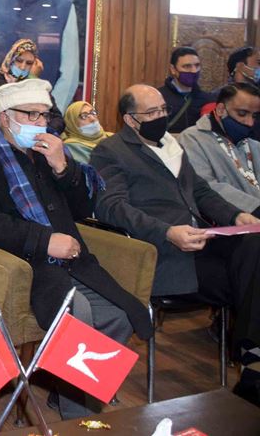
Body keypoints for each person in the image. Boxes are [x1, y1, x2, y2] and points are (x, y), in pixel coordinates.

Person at [0, 79, 151, 420]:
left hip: (74, 259)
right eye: (31, 115)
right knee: (79, 313)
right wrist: (44, 240)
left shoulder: (50, 151)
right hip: (26, 265)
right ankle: (79, 419)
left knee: (121, 315)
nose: (40, 124)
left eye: (44, 115)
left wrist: (63, 166)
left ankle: (67, 391)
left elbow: (82, 208)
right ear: (5, 117)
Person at [90, 84, 260, 394]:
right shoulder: (110, 151)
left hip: (202, 238)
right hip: (164, 250)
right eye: (151, 113)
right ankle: (251, 363)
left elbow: (201, 192)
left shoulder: (172, 145)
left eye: (163, 111)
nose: (161, 117)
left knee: (255, 245)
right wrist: (166, 232)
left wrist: (236, 216)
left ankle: (251, 357)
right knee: (250, 279)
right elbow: (110, 207)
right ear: (130, 119)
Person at [177, 82, 260, 215]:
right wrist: (254, 208)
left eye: (254, 116)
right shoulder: (192, 138)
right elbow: (204, 187)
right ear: (221, 109)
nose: (250, 122)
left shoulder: (254, 145)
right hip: (228, 219)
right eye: (242, 113)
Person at [157, 47, 215, 133]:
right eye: (187, 66)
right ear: (173, 69)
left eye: (197, 65)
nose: (194, 71)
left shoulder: (208, 99)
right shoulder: (158, 97)